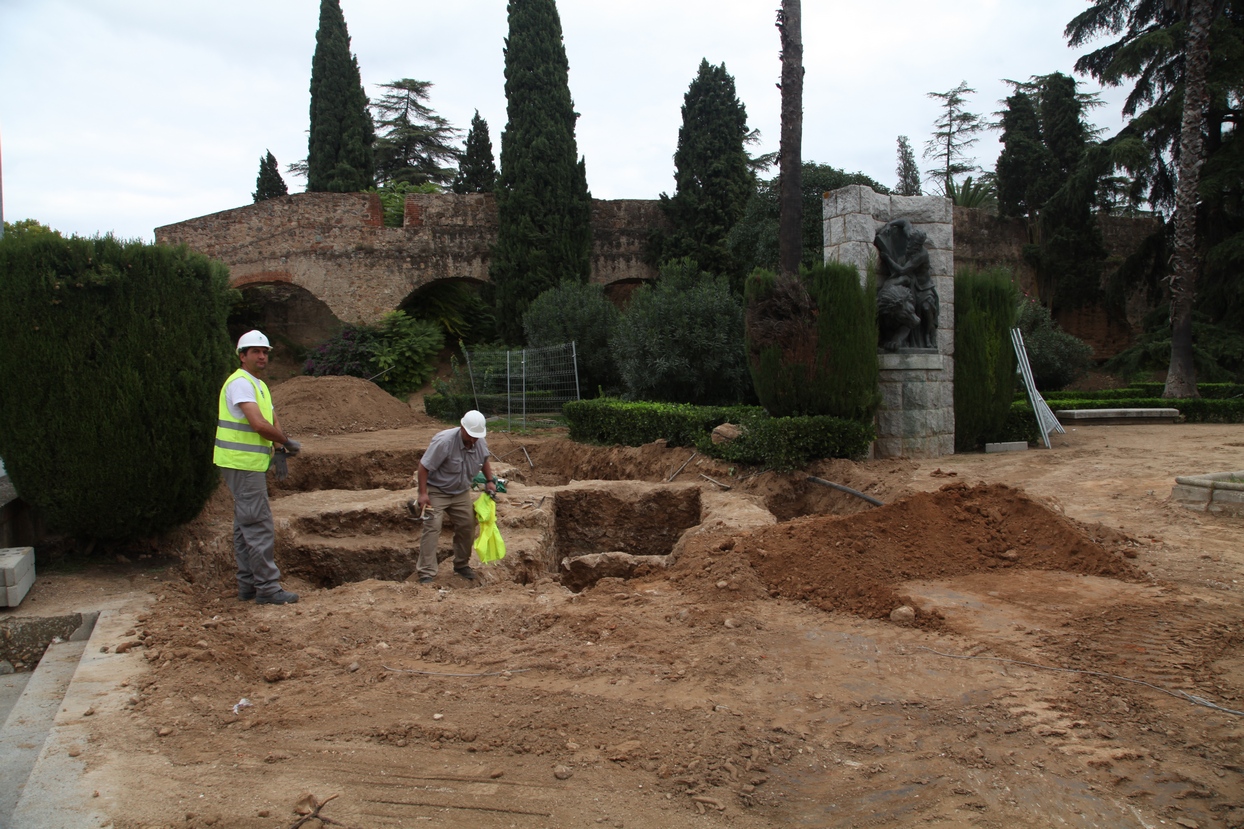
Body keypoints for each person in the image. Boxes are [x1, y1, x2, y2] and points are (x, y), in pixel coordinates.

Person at [214, 330, 301, 604]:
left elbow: (271, 417)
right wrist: (287, 441)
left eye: (265, 352)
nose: (262, 356)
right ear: (242, 356)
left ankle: (248, 585)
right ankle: (267, 588)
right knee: (259, 525)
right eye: (255, 352)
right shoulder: (240, 383)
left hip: (249, 464)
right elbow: (257, 424)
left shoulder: (259, 384)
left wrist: (278, 449)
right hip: (241, 464)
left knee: (244, 525)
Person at [414, 410, 497, 583]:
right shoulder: (444, 442)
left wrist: (490, 481)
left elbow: (484, 461)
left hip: (461, 492)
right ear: (462, 427)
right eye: (471, 435)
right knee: (433, 526)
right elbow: (424, 467)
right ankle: (426, 572)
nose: (474, 440)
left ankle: (461, 565)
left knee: (467, 525)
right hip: (437, 490)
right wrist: (423, 494)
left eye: (477, 436)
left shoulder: (480, 442)